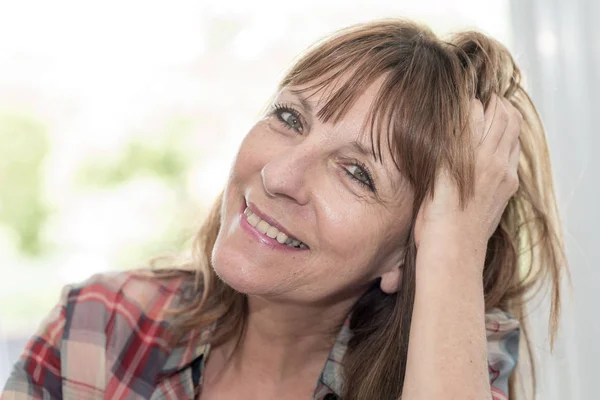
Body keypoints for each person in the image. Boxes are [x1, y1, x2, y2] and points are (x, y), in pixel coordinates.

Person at [2, 18, 565, 400]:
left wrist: (454, 245)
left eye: (357, 173)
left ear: (411, 253)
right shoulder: (102, 326)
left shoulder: (453, 365)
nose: (279, 176)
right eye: (290, 118)